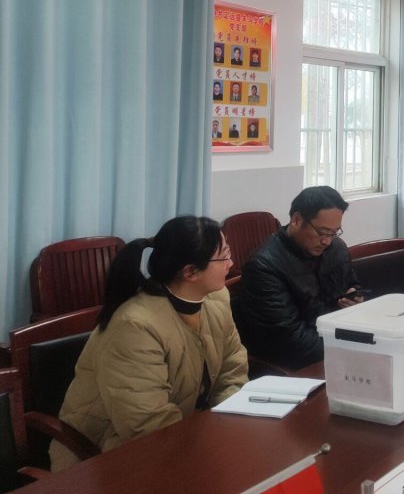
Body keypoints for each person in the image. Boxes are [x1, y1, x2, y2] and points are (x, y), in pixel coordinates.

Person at [50, 217, 247, 471]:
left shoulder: (215, 299)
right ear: (190, 272)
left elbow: (232, 370)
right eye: (224, 257)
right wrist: (209, 443)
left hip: (185, 440)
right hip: (108, 456)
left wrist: (226, 424)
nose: (232, 263)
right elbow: (147, 425)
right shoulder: (136, 326)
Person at [233, 186, 363, 370]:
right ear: (296, 220)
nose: (327, 241)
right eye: (322, 232)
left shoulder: (336, 248)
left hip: (336, 346)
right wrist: (350, 345)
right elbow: (289, 341)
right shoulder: (264, 267)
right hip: (294, 364)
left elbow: (352, 285)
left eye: (334, 233)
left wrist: (356, 300)